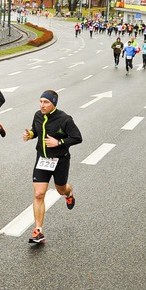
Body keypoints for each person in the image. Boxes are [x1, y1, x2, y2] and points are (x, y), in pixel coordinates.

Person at [22, 90, 82, 244]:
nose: (42, 105)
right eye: (41, 101)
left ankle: (69, 193)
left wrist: (59, 143)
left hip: (60, 160)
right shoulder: (38, 115)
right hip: (42, 159)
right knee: (39, 194)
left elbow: (77, 137)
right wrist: (29, 134)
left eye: (46, 102)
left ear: (54, 103)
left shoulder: (65, 119)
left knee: (61, 189)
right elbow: (36, 131)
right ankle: (38, 231)